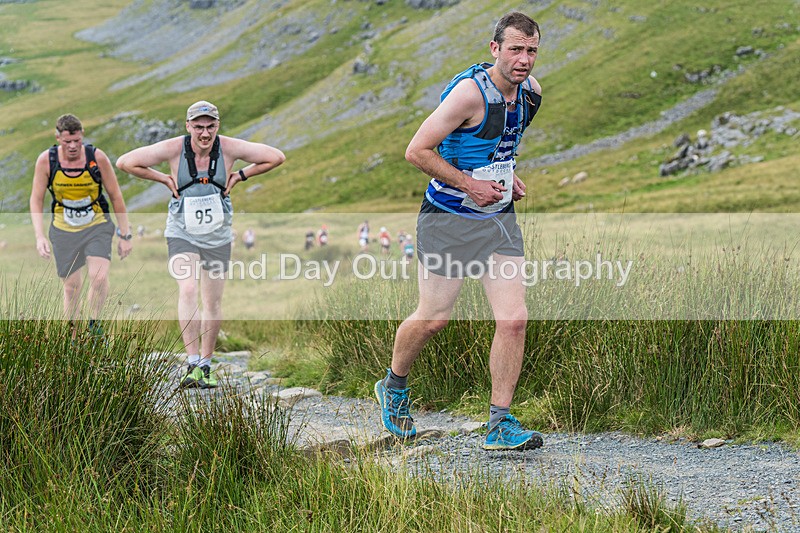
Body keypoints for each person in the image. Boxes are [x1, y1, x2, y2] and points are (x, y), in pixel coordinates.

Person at [374, 12, 544, 451]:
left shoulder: (531, 95)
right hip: (447, 218)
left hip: (498, 220)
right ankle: (393, 386)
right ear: (495, 49)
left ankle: (499, 424)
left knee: (514, 319)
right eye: (515, 49)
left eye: (531, 51)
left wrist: (508, 178)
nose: (524, 59)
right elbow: (416, 151)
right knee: (434, 319)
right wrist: (470, 184)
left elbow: (497, 146)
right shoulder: (469, 95)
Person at [116, 101, 285, 389]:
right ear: (188, 126)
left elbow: (276, 157)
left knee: (213, 301)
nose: (204, 134)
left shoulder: (229, 148)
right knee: (189, 288)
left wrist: (241, 175)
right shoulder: (174, 148)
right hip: (182, 231)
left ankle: (206, 365)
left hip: (218, 235)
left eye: (210, 127)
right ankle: (192, 361)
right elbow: (125, 162)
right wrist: (163, 178)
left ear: (217, 126)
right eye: (198, 127)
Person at [29, 114, 133, 336]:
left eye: (77, 140)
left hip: (97, 225)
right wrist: (39, 236)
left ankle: (95, 326)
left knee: (99, 276)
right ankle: (73, 338)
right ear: (58, 138)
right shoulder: (46, 161)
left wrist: (125, 234)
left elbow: (116, 196)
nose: (74, 146)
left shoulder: (97, 158)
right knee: (71, 287)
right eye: (68, 141)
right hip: (63, 230)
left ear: (82, 135)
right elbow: (36, 199)